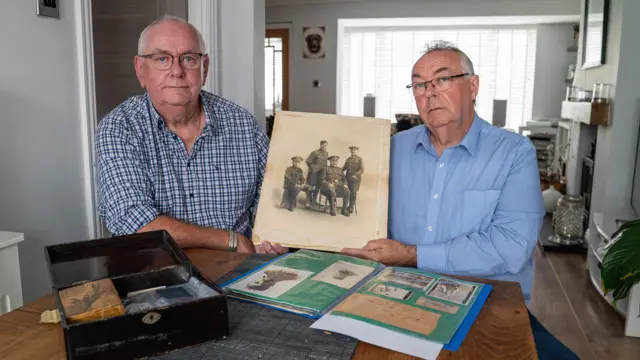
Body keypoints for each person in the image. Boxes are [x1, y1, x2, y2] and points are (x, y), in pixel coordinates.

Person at [342, 40, 578, 359]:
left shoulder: (513, 153)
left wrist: (412, 255)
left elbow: (509, 246)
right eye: (419, 84)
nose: (429, 91)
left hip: (487, 304)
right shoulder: (392, 149)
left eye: (442, 79)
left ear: (473, 85)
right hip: (396, 296)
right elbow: (358, 214)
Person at [95, 16, 287, 255]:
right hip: (157, 275)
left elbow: (274, 202)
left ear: (204, 68)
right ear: (140, 70)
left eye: (188, 58)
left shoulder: (242, 123)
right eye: (162, 59)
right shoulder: (119, 128)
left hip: (242, 271)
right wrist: (231, 240)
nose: (177, 71)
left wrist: (276, 237)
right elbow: (133, 222)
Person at [305, 140, 329, 206]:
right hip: (314, 172)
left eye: (326, 145)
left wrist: (326, 171)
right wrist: (313, 167)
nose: (324, 146)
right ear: (320, 145)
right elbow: (308, 161)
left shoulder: (326, 153)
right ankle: (308, 202)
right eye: (323, 145)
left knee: (318, 187)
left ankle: (314, 201)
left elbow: (325, 163)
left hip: (321, 173)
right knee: (311, 186)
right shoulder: (315, 152)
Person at [342, 146, 363, 214]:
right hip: (348, 178)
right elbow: (344, 167)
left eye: (354, 150)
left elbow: (362, 169)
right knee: (347, 191)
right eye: (352, 150)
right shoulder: (348, 159)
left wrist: (356, 174)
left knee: (353, 192)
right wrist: (339, 171)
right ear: (350, 151)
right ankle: (345, 206)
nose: (353, 151)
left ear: (357, 151)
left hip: (355, 179)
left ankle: (351, 206)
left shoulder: (359, 159)